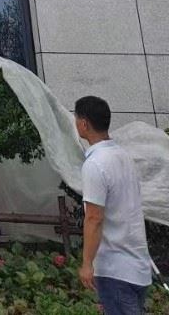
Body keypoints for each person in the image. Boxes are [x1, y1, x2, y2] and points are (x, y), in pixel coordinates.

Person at [75, 95, 152, 315]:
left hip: (114, 269)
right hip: (138, 265)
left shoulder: (95, 164)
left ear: (84, 124)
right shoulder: (123, 156)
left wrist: (87, 263)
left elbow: (94, 217)